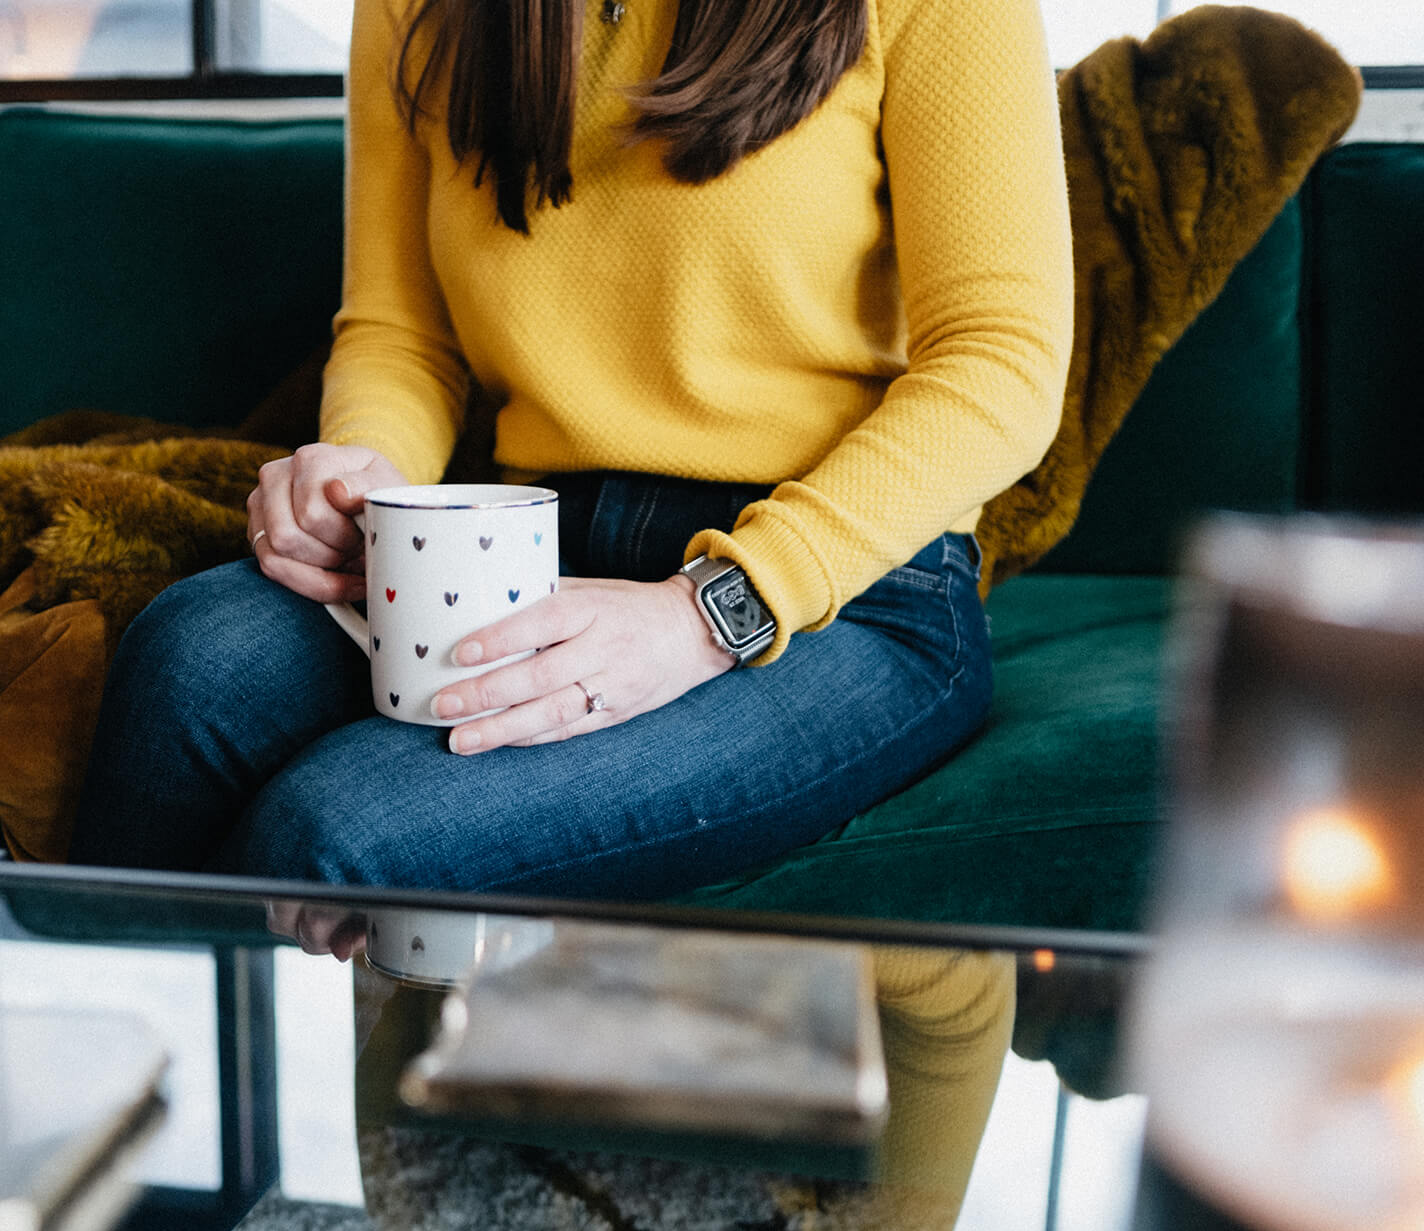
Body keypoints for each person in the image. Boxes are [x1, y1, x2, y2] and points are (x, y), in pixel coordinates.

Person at [68, 0, 1074, 899]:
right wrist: (362, 469)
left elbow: (1003, 360)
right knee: (185, 664)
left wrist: (707, 612)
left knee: (338, 831)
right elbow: (402, 334)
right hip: (530, 544)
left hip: (844, 595)